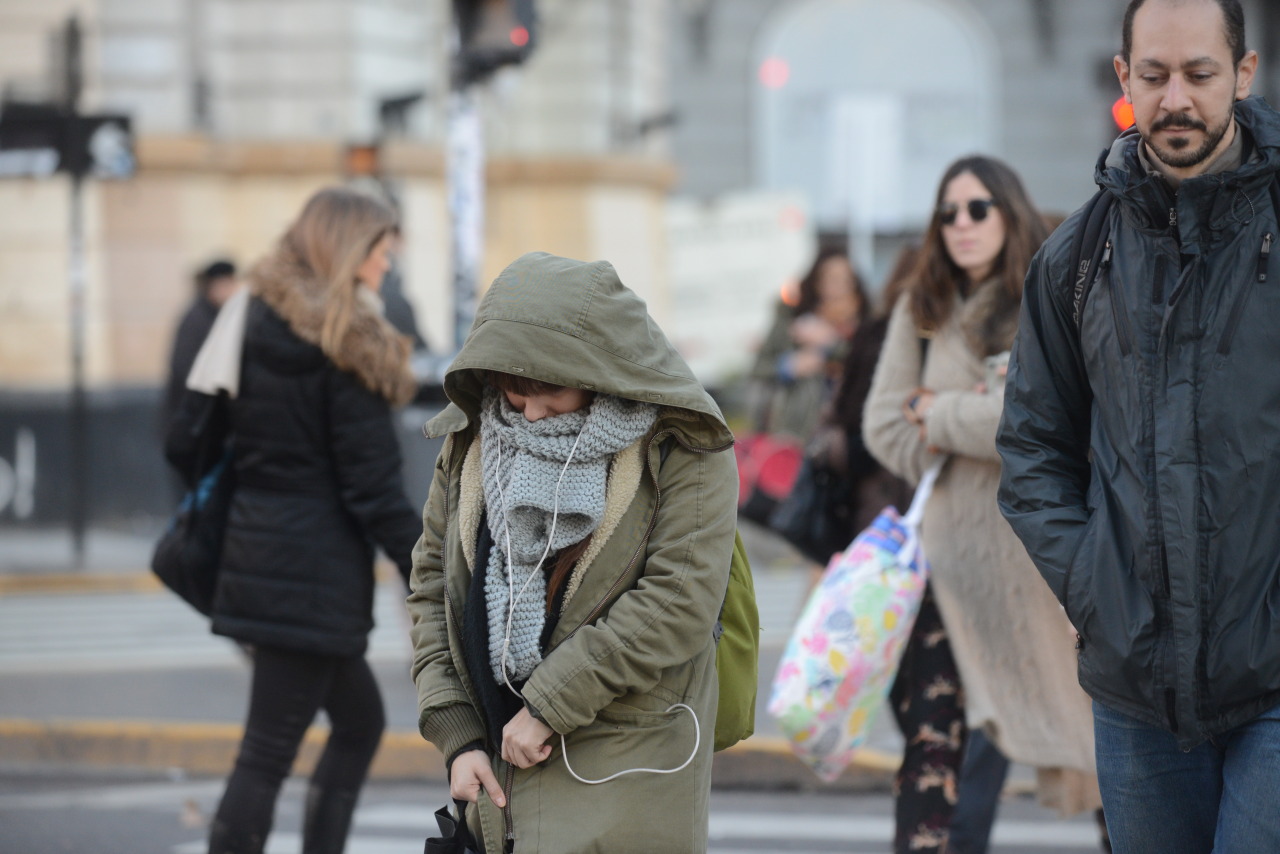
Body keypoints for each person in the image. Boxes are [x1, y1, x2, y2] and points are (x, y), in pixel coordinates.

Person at [996, 1, 1280, 850]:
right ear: (1124, 78)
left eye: (1199, 73)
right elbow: (1034, 449)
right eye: (1153, 76)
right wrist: (1095, 586)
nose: (1176, 99)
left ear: (1244, 73)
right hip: (1135, 690)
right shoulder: (1075, 258)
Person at [406, 251, 738, 853]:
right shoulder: (473, 437)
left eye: (549, 390)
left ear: (599, 368)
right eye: (512, 389)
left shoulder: (682, 444)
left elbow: (677, 601)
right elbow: (433, 587)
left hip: (624, 776)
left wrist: (550, 704)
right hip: (496, 781)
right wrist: (457, 733)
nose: (529, 413)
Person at [168, 187, 423, 854]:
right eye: (380, 252)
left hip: (259, 553)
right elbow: (373, 489)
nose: (386, 267)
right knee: (266, 752)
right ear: (348, 251)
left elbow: (186, 438)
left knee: (359, 722)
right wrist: (431, 568)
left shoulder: (248, 314)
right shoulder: (350, 343)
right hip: (310, 577)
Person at [863, 156, 1099, 854]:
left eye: (977, 209)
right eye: (948, 213)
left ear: (1009, 211)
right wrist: (962, 430)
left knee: (1102, 743)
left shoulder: (1050, 292)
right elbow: (882, 423)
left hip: (1045, 569)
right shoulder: (923, 305)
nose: (961, 225)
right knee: (936, 764)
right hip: (947, 570)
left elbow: (1048, 418)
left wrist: (935, 417)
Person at [751, 248, 867, 442]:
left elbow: (867, 368)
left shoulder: (865, 325)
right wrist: (789, 365)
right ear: (816, 282)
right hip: (796, 433)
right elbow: (758, 368)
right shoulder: (792, 319)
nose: (839, 288)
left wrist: (831, 343)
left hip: (849, 438)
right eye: (832, 279)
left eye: (847, 280)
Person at [163, 259, 239, 432]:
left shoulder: (217, 315)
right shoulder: (199, 318)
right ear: (212, 287)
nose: (231, 291)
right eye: (226, 285)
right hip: (195, 418)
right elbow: (184, 369)